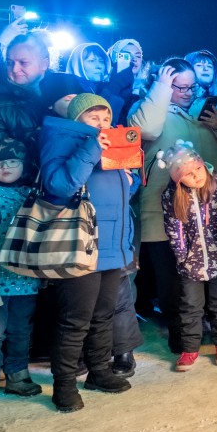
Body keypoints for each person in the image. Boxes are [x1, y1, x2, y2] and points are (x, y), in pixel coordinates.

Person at [41, 94, 137, 412]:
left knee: (103, 315)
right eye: (93, 117)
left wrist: (130, 179)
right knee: (74, 320)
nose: (102, 123)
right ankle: (64, 385)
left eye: (105, 117)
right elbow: (59, 185)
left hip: (111, 243)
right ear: (77, 118)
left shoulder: (110, 144)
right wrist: (93, 147)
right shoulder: (62, 139)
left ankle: (99, 372)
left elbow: (116, 191)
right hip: (80, 243)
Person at [128, 58, 217, 354]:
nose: (187, 92)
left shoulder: (202, 112)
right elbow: (145, 129)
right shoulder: (148, 109)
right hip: (161, 211)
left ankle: (215, 326)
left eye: (191, 86)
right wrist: (160, 89)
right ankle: (180, 331)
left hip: (206, 211)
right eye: (178, 86)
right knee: (172, 277)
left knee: (209, 272)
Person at [159, 141, 217, 371]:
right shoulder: (172, 196)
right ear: (178, 179)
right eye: (188, 174)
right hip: (190, 265)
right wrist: (182, 256)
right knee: (190, 307)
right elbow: (174, 229)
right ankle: (190, 348)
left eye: (198, 169)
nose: (196, 176)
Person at [0, 139, 41, 408]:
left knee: (21, 331)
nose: (5, 167)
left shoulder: (31, 195)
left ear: (23, 164)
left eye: (12, 161)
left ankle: (17, 375)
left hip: (27, 282)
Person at [0, 33, 82, 178]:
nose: (14, 69)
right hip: (22, 186)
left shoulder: (68, 87)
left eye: (23, 63)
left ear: (44, 64)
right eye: (10, 63)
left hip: (71, 178)